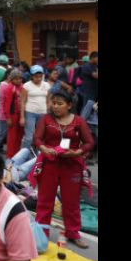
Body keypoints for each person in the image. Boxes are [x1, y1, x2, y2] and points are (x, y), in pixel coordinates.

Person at [33, 91, 94, 249]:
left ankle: (73, 233)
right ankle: (41, 234)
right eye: (53, 103)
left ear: (69, 105)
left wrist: (78, 152)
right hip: (50, 164)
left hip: (72, 165)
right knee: (45, 201)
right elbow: (37, 139)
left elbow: (89, 142)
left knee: (71, 202)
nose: (55, 106)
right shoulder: (45, 119)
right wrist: (44, 148)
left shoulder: (79, 121)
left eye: (60, 104)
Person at [0, 69, 24, 158]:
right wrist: (8, 117)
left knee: (3, 134)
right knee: (1, 134)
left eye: (20, 78)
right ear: (10, 77)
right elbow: (5, 103)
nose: (19, 80)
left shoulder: (19, 87)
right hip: (5, 115)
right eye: (16, 79)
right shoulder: (6, 86)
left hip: (10, 114)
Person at [19, 65, 50, 151]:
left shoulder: (46, 85)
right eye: (36, 76)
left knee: (40, 136)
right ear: (32, 76)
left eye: (40, 76)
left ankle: (37, 156)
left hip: (43, 113)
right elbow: (22, 101)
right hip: (30, 112)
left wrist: (48, 113)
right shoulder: (26, 86)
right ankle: (24, 154)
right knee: (29, 137)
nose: (38, 78)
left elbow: (48, 101)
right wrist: (22, 117)